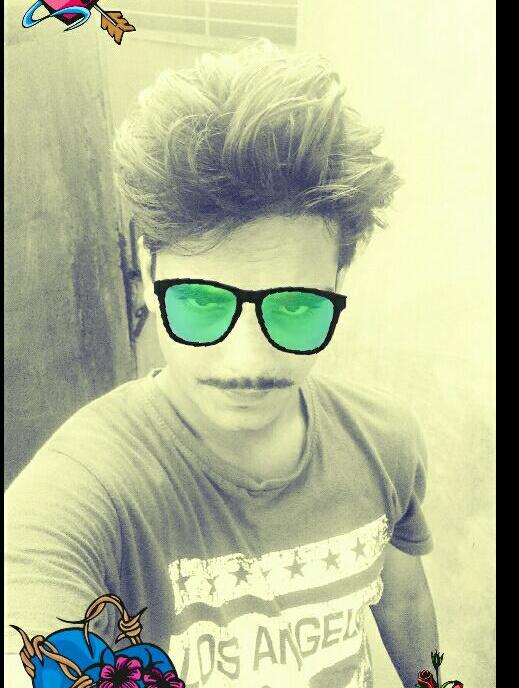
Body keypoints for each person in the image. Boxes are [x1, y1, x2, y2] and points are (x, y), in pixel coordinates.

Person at [5, 38, 439, 688]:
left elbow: (400, 599)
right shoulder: (81, 492)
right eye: (202, 304)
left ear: (339, 282)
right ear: (146, 273)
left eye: (294, 308)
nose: (246, 360)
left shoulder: (385, 441)